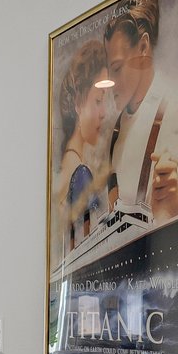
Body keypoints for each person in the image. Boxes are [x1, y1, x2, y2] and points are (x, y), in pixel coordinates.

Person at [102, 0, 178, 223]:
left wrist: (177, 205)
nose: (111, 83)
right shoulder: (116, 131)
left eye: (117, 68)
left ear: (143, 47)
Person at [53, 37, 114, 254]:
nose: (104, 113)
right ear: (78, 102)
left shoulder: (65, 167)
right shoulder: (80, 174)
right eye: (98, 101)